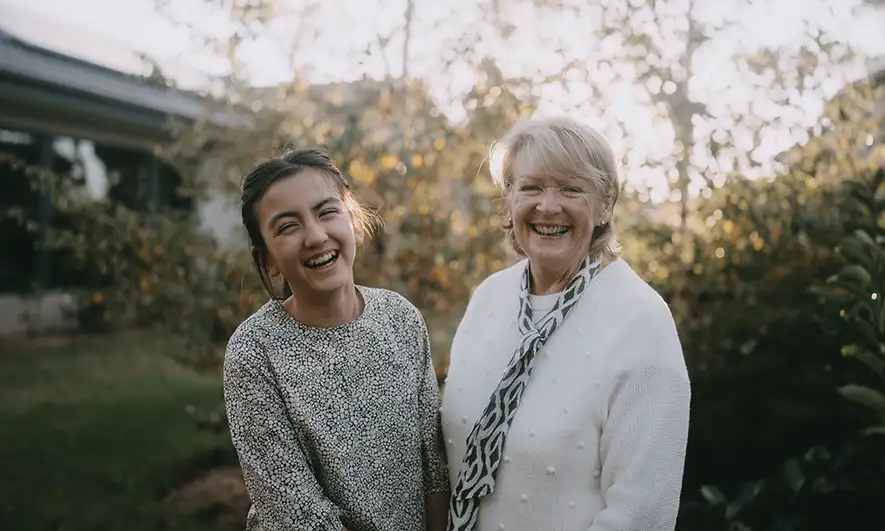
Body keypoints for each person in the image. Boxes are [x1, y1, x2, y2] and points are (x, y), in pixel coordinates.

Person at [441, 118, 690, 531]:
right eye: (532, 187)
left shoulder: (641, 319)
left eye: (571, 188)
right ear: (509, 200)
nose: (549, 206)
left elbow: (642, 513)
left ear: (605, 204)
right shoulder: (489, 297)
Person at [224, 147, 450, 531]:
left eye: (327, 212)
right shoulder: (254, 353)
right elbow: (296, 516)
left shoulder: (401, 318)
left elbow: (435, 473)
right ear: (268, 260)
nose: (315, 236)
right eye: (287, 226)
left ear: (353, 220)